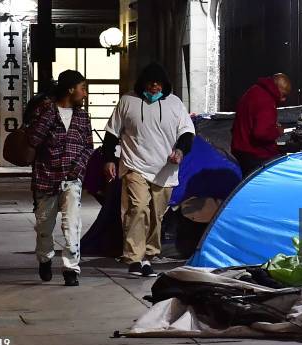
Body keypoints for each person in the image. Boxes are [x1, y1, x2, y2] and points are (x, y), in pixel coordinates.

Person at [103, 63, 195, 277]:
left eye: (159, 83)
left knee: (157, 215)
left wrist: (180, 151)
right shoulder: (128, 101)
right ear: (142, 83)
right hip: (135, 165)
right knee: (138, 208)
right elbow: (111, 133)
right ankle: (134, 258)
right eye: (151, 82)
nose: (155, 87)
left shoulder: (175, 104)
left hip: (165, 170)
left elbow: (187, 133)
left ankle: (148, 256)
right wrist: (108, 159)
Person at [26, 70, 94, 286]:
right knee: (44, 225)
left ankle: (71, 269)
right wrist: (46, 114)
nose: (84, 94)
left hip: (72, 179)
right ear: (70, 89)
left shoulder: (83, 117)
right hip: (46, 177)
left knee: (72, 224)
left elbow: (88, 147)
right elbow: (34, 140)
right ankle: (45, 258)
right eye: (82, 88)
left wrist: (79, 169)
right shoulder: (46, 112)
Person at [231, 73, 291, 176]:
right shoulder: (266, 100)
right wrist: (277, 131)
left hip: (240, 148)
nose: (283, 100)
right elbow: (261, 133)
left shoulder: (254, 90)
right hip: (254, 153)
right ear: (277, 87)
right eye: (283, 95)